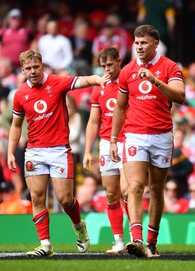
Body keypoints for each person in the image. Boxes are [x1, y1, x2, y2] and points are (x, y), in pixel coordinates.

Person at [7, 49, 109, 257]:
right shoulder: (20, 95)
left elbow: (83, 80)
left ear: (42, 66)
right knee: (37, 197)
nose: (33, 71)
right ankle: (45, 245)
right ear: (22, 70)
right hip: (34, 151)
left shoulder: (57, 82)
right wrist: (10, 152)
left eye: (36, 67)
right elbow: (16, 125)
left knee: (65, 199)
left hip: (59, 150)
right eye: (29, 68)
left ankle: (79, 226)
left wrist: (98, 79)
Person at [109, 24, 185, 258]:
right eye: (137, 42)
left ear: (155, 44)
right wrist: (113, 139)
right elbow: (120, 107)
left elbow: (180, 97)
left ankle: (152, 242)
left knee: (157, 189)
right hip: (134, 136)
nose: (139, 46)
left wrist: (156, 81)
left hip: (162, 135)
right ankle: (137, 240)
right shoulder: (127, 71)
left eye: (144, 42)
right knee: (134, 187)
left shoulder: (170, 67)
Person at [83, 47, 129, 255]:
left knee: (129, 192)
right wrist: (87, 151)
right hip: (104, 144)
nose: (107, 69)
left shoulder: (128, 82)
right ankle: (118, 241)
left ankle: (136, 238)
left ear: (119, 61)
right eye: (103, 66)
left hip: (128, 141)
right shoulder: (98, 88)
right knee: (111, 194)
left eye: (110, 65)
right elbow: (93, 121)